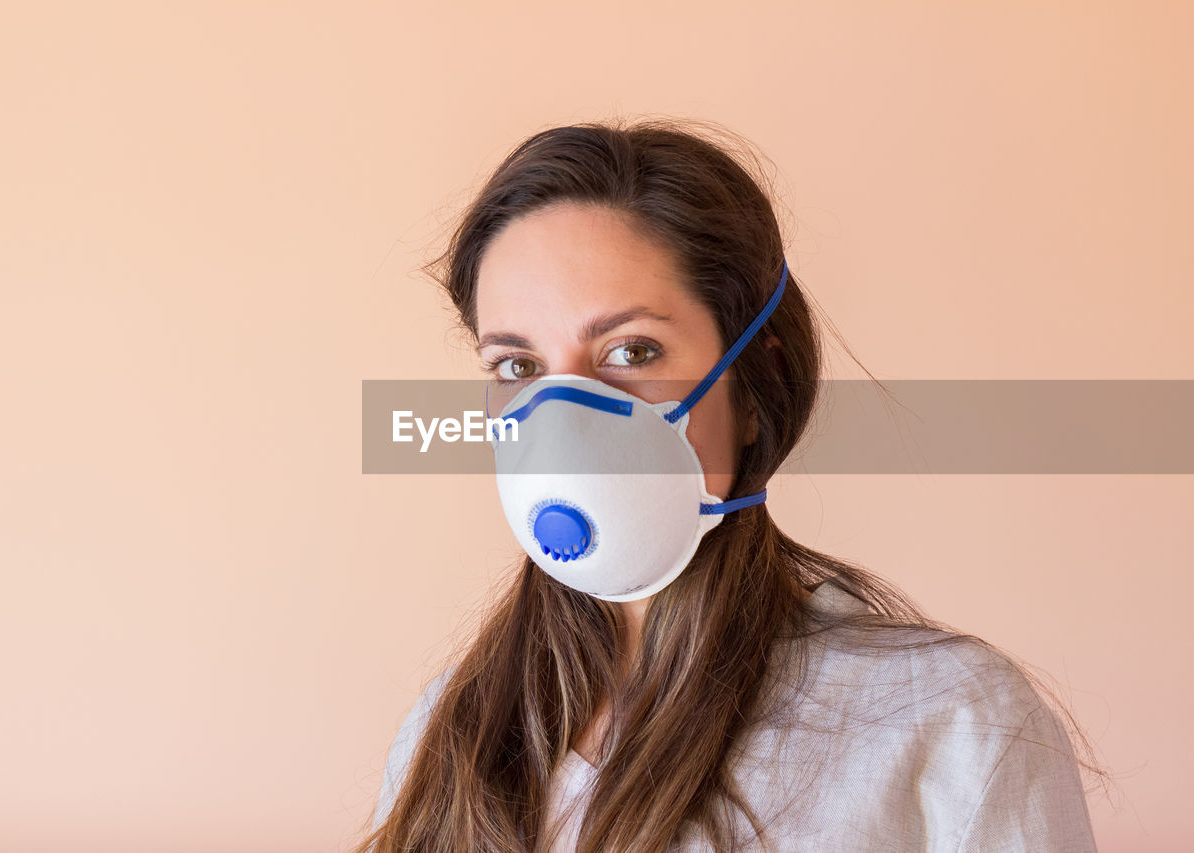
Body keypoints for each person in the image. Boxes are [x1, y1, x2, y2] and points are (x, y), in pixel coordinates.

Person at [356, 118, 1104, 852]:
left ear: (754, 384)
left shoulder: (948, 727)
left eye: (632, 350)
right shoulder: (448, 733)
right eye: (517, 367)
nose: (565, 422)